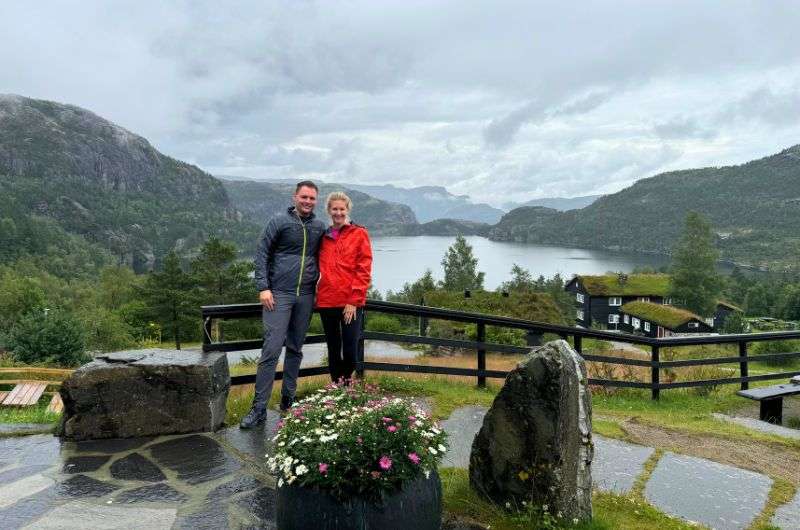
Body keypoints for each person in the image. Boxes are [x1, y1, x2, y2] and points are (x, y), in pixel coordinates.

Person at [240, 181, 326, 429]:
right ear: (295, 197)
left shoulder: (319, 227)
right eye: (304, 197)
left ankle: (288, 402)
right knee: (271, 351)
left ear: (316, 201)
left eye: (312, 198)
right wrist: (263, 287)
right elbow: (262, 253)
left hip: (306, 295)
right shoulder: (279, 221)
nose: (308, 201)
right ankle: (258, 409)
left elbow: (334, 248)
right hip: (278, 294)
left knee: (296, 349)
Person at [316, 192, 373, 382]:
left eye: (342, 209)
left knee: (350, 348)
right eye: (335, 209)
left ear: (347, 210)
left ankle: (347, 383)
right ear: (329, 210)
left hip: (350, 302)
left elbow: (363, 269)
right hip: (327, 300)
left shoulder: (359, 234)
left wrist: (354, 301)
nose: (338, 212)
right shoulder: (322, 237)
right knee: (333, 347)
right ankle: (335, 386)